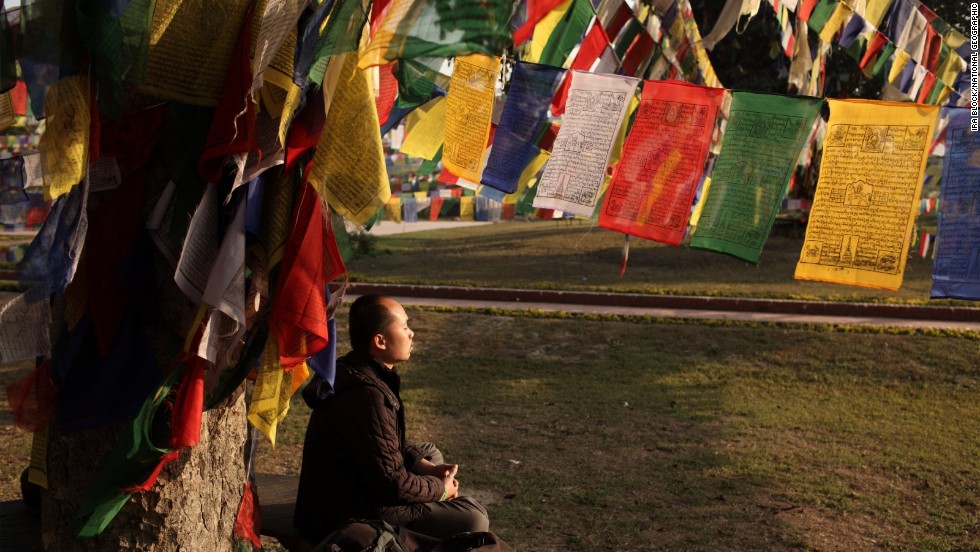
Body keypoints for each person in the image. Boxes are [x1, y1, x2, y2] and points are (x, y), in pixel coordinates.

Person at [293, 294, 489, 545]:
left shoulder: (361, 370)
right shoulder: (366, 394)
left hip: (360, 488)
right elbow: (392, 484)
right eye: (405, 327)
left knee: (429, 454)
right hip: (344, 516)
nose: (412, 334)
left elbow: (383, 445)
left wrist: (427, 470)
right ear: (380, 341)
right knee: (474, 518)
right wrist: (440, 490)